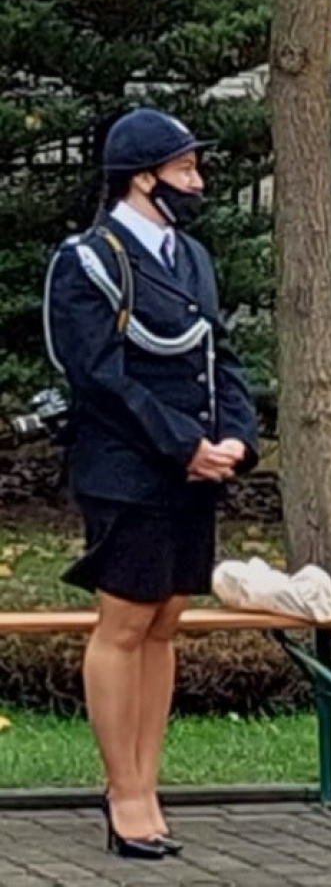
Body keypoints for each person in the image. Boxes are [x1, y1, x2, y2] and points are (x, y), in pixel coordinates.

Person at [44, 107, 259, 860]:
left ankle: (149, 779)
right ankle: (122, 791)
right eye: (186, 170)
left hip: (194, 465)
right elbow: (99, 380)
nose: (198, 182)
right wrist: (184, 447)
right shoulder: (90, 259)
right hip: (129, 469)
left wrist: (237, 436)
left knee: (166, 621)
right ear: (143, 178)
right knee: (126, 622)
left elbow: (218, 353)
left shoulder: (189, 255)